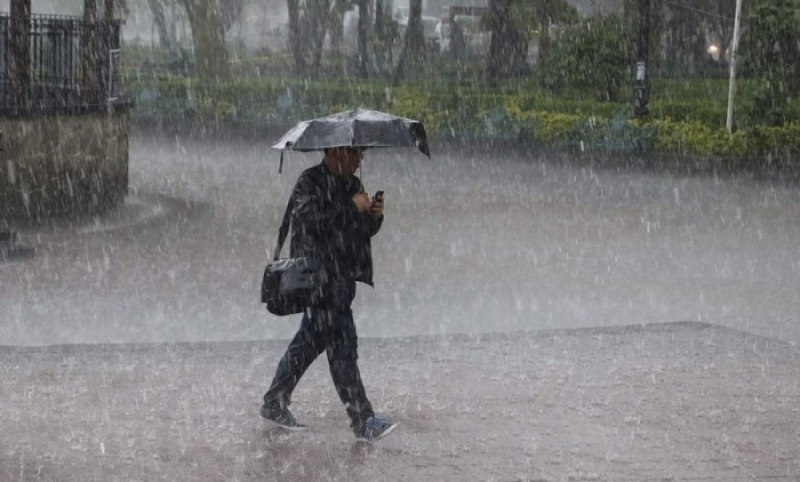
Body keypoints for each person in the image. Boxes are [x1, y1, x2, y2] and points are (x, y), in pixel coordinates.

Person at [261, 147, 398, 442]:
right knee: (343, 349)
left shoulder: (353, 184)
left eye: (361, 154)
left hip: (343, 279)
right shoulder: (308, 182)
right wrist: (350, 207)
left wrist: (373, 217)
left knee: (308, 344)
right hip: (319, 281)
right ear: (336, 152)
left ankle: (275, 401)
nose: (360, 160)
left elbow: (357, 230)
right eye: (355, 153)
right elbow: (311, 221)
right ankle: (362, 419)